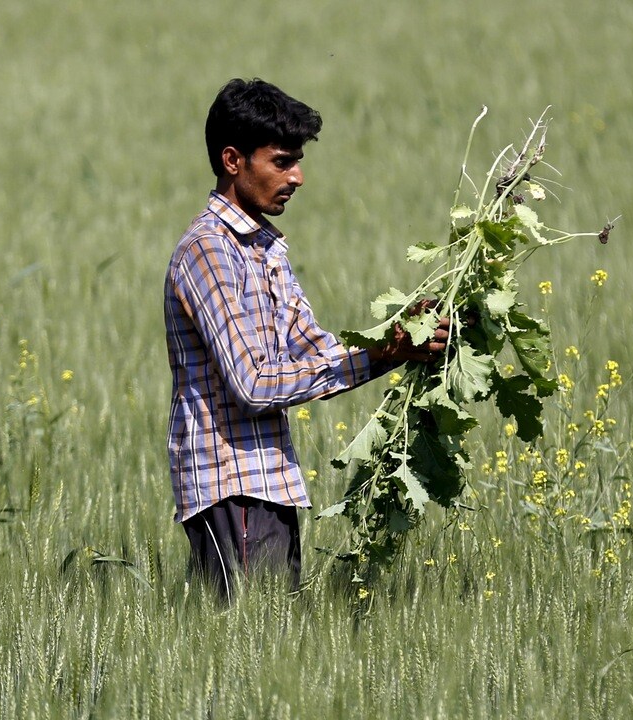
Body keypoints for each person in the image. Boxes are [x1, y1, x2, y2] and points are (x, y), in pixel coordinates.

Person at [163, 78, 446, 599]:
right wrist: (387, 350)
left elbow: (316, 353)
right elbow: (254, 384)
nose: (298, 176)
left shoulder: (264, 252)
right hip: (232, 485)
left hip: (266, 484)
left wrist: (403, 338)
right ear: (233, 161)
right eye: (282, 161)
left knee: (264, 646)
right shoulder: (209, 252)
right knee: (246, 649)